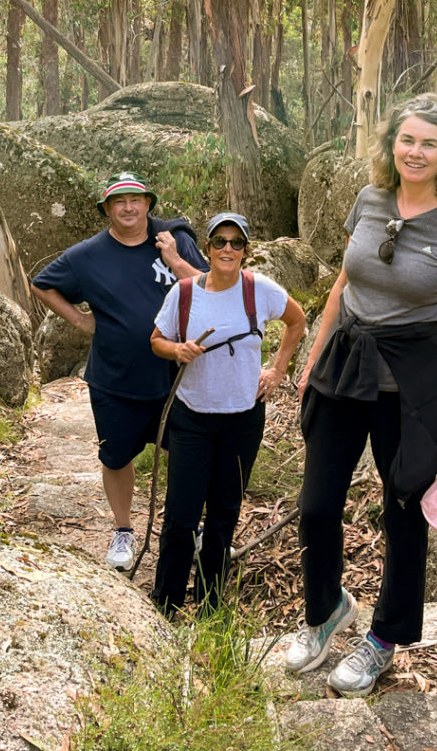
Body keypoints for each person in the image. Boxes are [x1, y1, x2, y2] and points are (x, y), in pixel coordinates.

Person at [284, 93, 437, 697]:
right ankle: (325, 612)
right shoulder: (369, 201)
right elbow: (342, 285)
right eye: (407, 140)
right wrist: (314, 355)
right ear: (391, 145)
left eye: (429, 142)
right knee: (317, 505)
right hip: (345, 368)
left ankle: (383, 642)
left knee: (402, 516)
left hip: (412, 387)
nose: (416, 151)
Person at [31, 171, 208, 572]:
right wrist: (79, 320)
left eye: (136, 200)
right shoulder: (87, 255)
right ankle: (123, 530)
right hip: (115, 377)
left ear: (148, 204)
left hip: (178, 377)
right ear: (108, 210)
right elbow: (42, 283)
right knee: (116, 457)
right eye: (119, 202)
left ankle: (192, 528)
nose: (128, 208)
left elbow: (211, 285)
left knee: (188, 456)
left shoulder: (173, 239)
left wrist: (175, 260)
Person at [149, 212, 306, 618]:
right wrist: (177, 349)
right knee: (182, 516)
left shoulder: (260, 290)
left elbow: (297, 320)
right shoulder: (184, 294)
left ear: (246, 251)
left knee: (222, 516)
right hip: (192, 417)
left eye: (237, 243)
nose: (228, 250)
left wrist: (277, 369)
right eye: (220, 241)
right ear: (207, 248)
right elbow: (156, 340)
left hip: (242, 419)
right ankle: (164, 605)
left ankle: (209, 606)